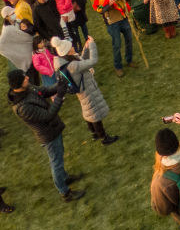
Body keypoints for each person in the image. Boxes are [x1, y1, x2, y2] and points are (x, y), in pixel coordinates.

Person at [6, 69, 84, 202]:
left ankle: (65, 178)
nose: (27, 78)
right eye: (24, 78)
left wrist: (58, 85)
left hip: (53, 129)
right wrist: (59, 97)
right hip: (49, 135)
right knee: (56, 163)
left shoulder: (28, 88)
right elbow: (47, 116)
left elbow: (43, 91)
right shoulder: (23, 107)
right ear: (18, 83)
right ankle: (65, 193)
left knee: (59, 156)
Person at [53, 35, 119, 145]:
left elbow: (82, 60)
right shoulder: (73, 65)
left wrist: (86, 47)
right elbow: (93, 61)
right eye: (71, 47)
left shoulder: (69, 61)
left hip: (83, 90)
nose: (73, 47)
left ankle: (94, 133)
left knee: (88, 110)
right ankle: (104, 137)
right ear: (68, 51)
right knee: (94, 113)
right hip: (87, 90)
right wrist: (92, 44)